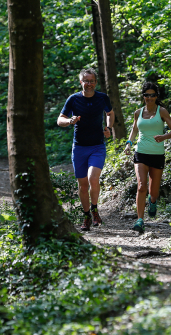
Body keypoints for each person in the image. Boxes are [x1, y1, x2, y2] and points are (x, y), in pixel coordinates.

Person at [58, 68, 114, 231]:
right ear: (81, 82)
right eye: (86, 81)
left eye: (92, 81)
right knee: (82, 185)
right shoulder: (73, 99)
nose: (89, 84)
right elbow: (59, 120)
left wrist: (109, 127)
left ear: (95, 82)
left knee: (93, 178)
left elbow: (110, 112)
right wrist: (70, 121)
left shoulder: (102, 98)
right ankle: (86, 215)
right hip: (79, 147)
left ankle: (95, 209)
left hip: (97, 146)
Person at [124, 82, 171, 233]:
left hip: (157, 155)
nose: (149, 98)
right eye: (147, 95)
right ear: (143, 97)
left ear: (156, 96)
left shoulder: (162, 111)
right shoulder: (138, 113)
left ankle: (152, 202)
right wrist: (129, 143)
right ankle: (140, 220)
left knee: (153, 192)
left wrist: (164, 136)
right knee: (141, 186)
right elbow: (134, 130)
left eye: (152, 95)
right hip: (140, 152)